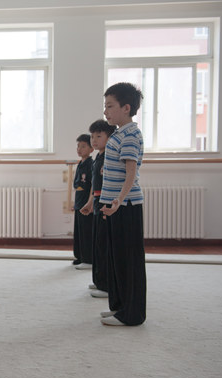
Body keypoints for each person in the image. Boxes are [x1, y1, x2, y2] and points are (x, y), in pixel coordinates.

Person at [99, 82, 146, 327]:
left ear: (126, 107)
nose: (105, 111)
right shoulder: (118, 133)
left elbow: (131, 173)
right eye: (104, 106)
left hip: (125, 206)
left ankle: (132, 314)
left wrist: (119, 200)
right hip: (114, 205)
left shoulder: (131, 134)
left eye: (110, 106)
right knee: (116, 259)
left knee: (128, 261)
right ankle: (119, 307)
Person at [80, 119, 116, 299]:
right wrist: (89, 203)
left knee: (104, 245)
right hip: (96, 201)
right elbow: (94, 184)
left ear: (109, 138)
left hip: (105, 203)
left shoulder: (110, 156)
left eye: (99, 136)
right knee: (97, 244)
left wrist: (105, 205)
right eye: (92, 136)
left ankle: (107, 285)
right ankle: (99, 280)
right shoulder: (98, 158)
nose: (94, 140)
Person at [72, 134, 94, 270]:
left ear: (91, 149)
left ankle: (88, 258)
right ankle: (79, 256)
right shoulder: (80, 164)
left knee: (87, 232)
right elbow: (77, 184)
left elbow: (92, 184)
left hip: (87, 203)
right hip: (79, 202)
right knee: (79, 231)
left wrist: (90, 203)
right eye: (78, 146)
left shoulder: (91, 164)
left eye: (83, 146)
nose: (79, 149)